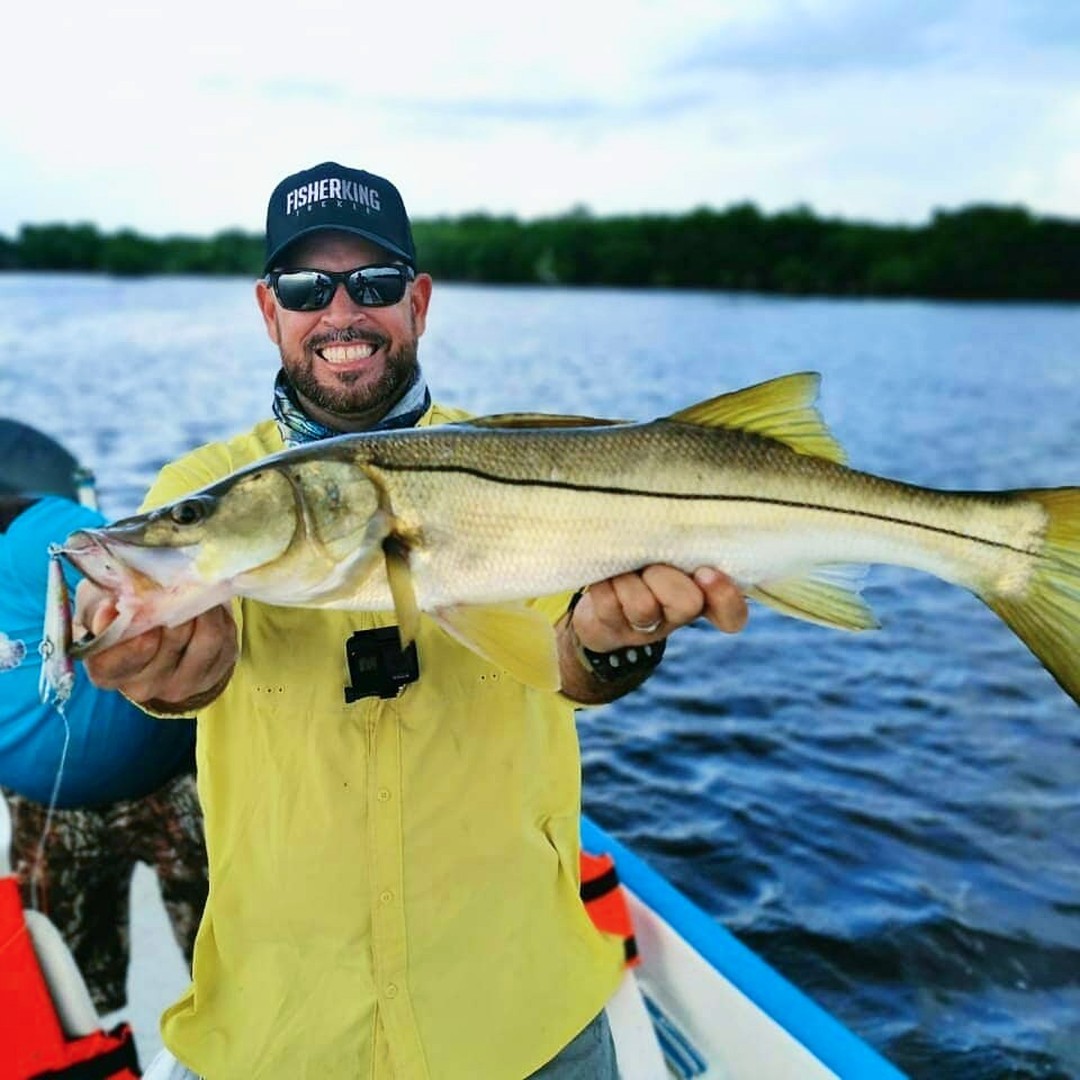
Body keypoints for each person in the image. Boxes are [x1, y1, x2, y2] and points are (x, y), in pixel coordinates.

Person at [75, 161, 749, 1079]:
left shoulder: (524, 463)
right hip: (280, 1029)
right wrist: (166, 672)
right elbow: (192, 673)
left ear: (420, 302)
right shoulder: (195, 493)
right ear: (270, 311)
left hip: (518, 1020)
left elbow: (574, 665)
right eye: (309, 288)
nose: (341, 312)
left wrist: (615, 640)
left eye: (376, 283)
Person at [0, 422, 208, 1022]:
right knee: (71, 1009)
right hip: (45, 815)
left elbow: (100, 561)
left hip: (174, 787)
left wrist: (100, 607)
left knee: (237, 977)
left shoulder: (26, 528)